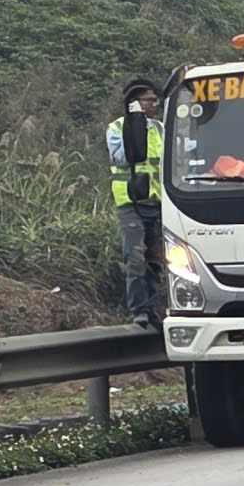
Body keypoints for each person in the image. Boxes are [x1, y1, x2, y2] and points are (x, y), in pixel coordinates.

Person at [107, 78, 165, 326]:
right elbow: (121, 158)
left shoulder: (160, 128)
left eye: (155, 100)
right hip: (130, 202)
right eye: (148, 100)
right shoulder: (116, 128)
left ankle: (154, 307)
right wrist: (135, 129)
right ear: (135, 103)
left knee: (156, 259)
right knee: (135, 257)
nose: (154, 104)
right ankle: (139, 309)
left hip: (157, 201)